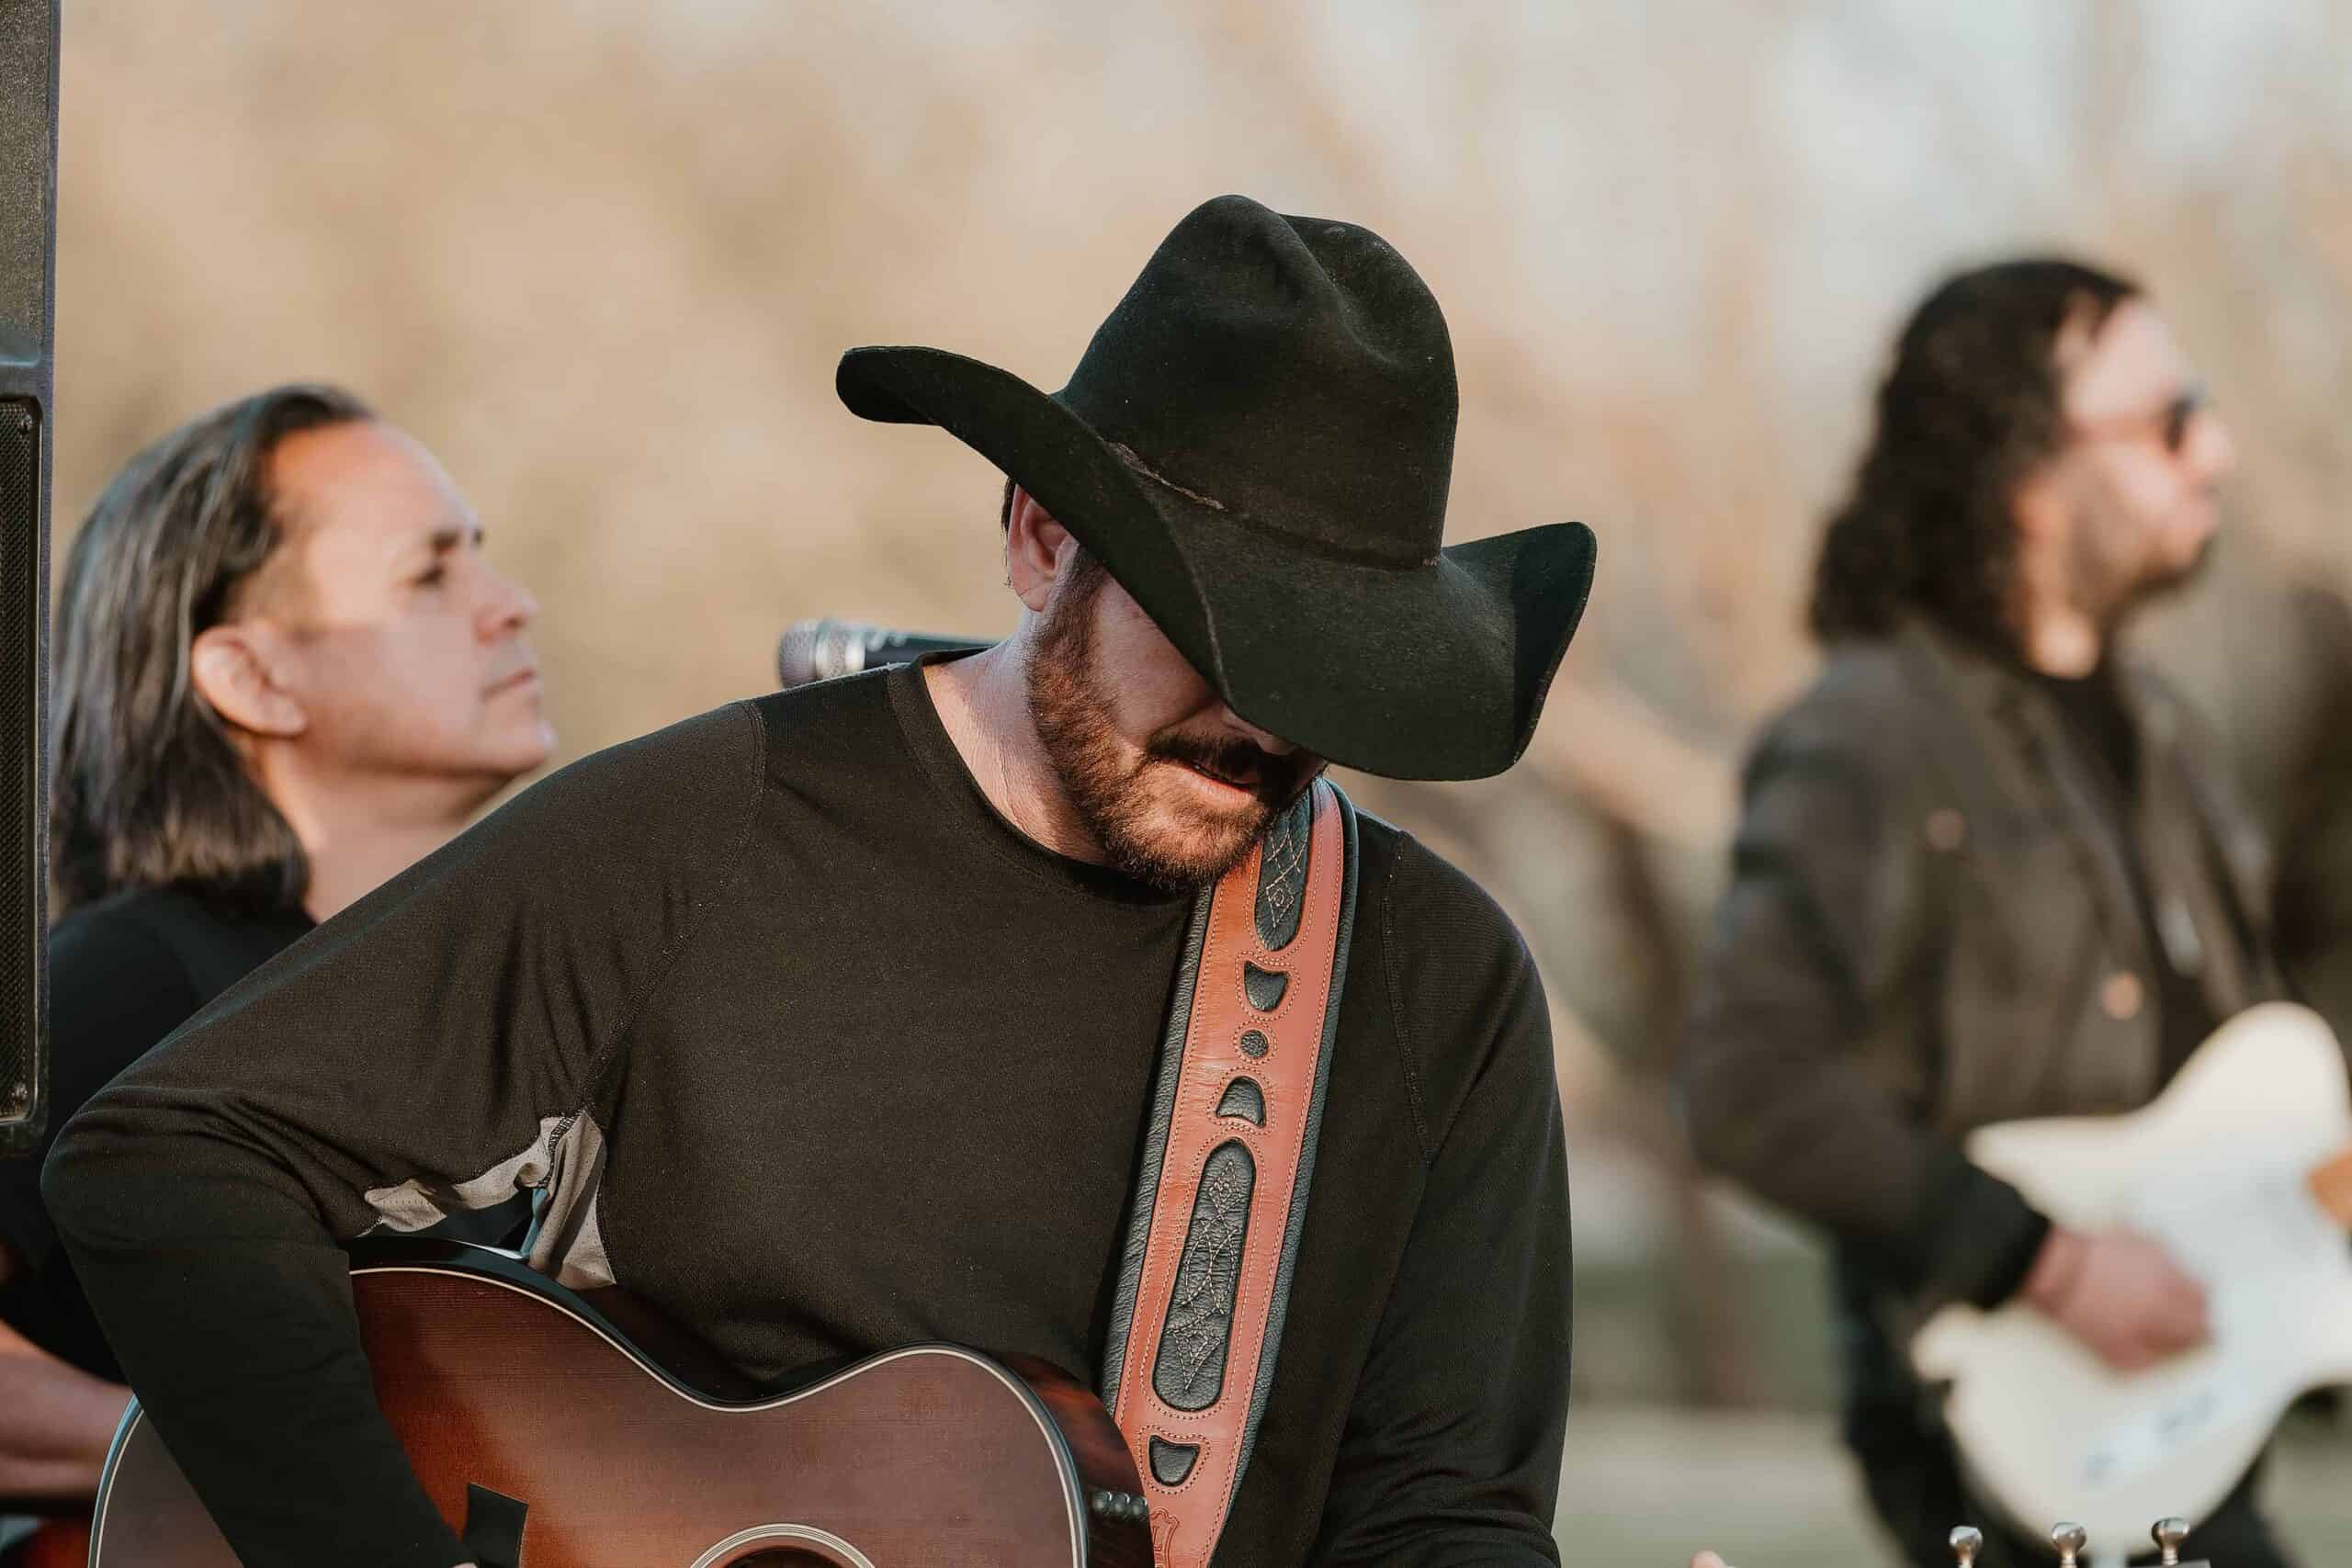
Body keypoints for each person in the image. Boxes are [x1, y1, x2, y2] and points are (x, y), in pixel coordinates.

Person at [42, 198, 1592, 1566]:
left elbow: (1446, 1513)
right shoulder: (709, 825)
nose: (1268, 724)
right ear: (1042, 539)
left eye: (1336, 676)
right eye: (1228, 639)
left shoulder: (1429, 977)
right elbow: (172, 1153)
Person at [1678, 261, 2290, 1567]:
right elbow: (1745, 1078)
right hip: (2013, 1455)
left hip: (2200, 1431)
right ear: (2025, 472)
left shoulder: (2170, 734)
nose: (2216, 450)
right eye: (2170, 419)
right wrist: (2047, 1260)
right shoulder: (1871, 733)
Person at [0, 385, 552, 1552]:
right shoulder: (124, 979)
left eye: (484, 563)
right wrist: (236, 1444)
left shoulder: (517, 988)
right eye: (430, 576)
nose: (511, 606)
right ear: (251, 678)